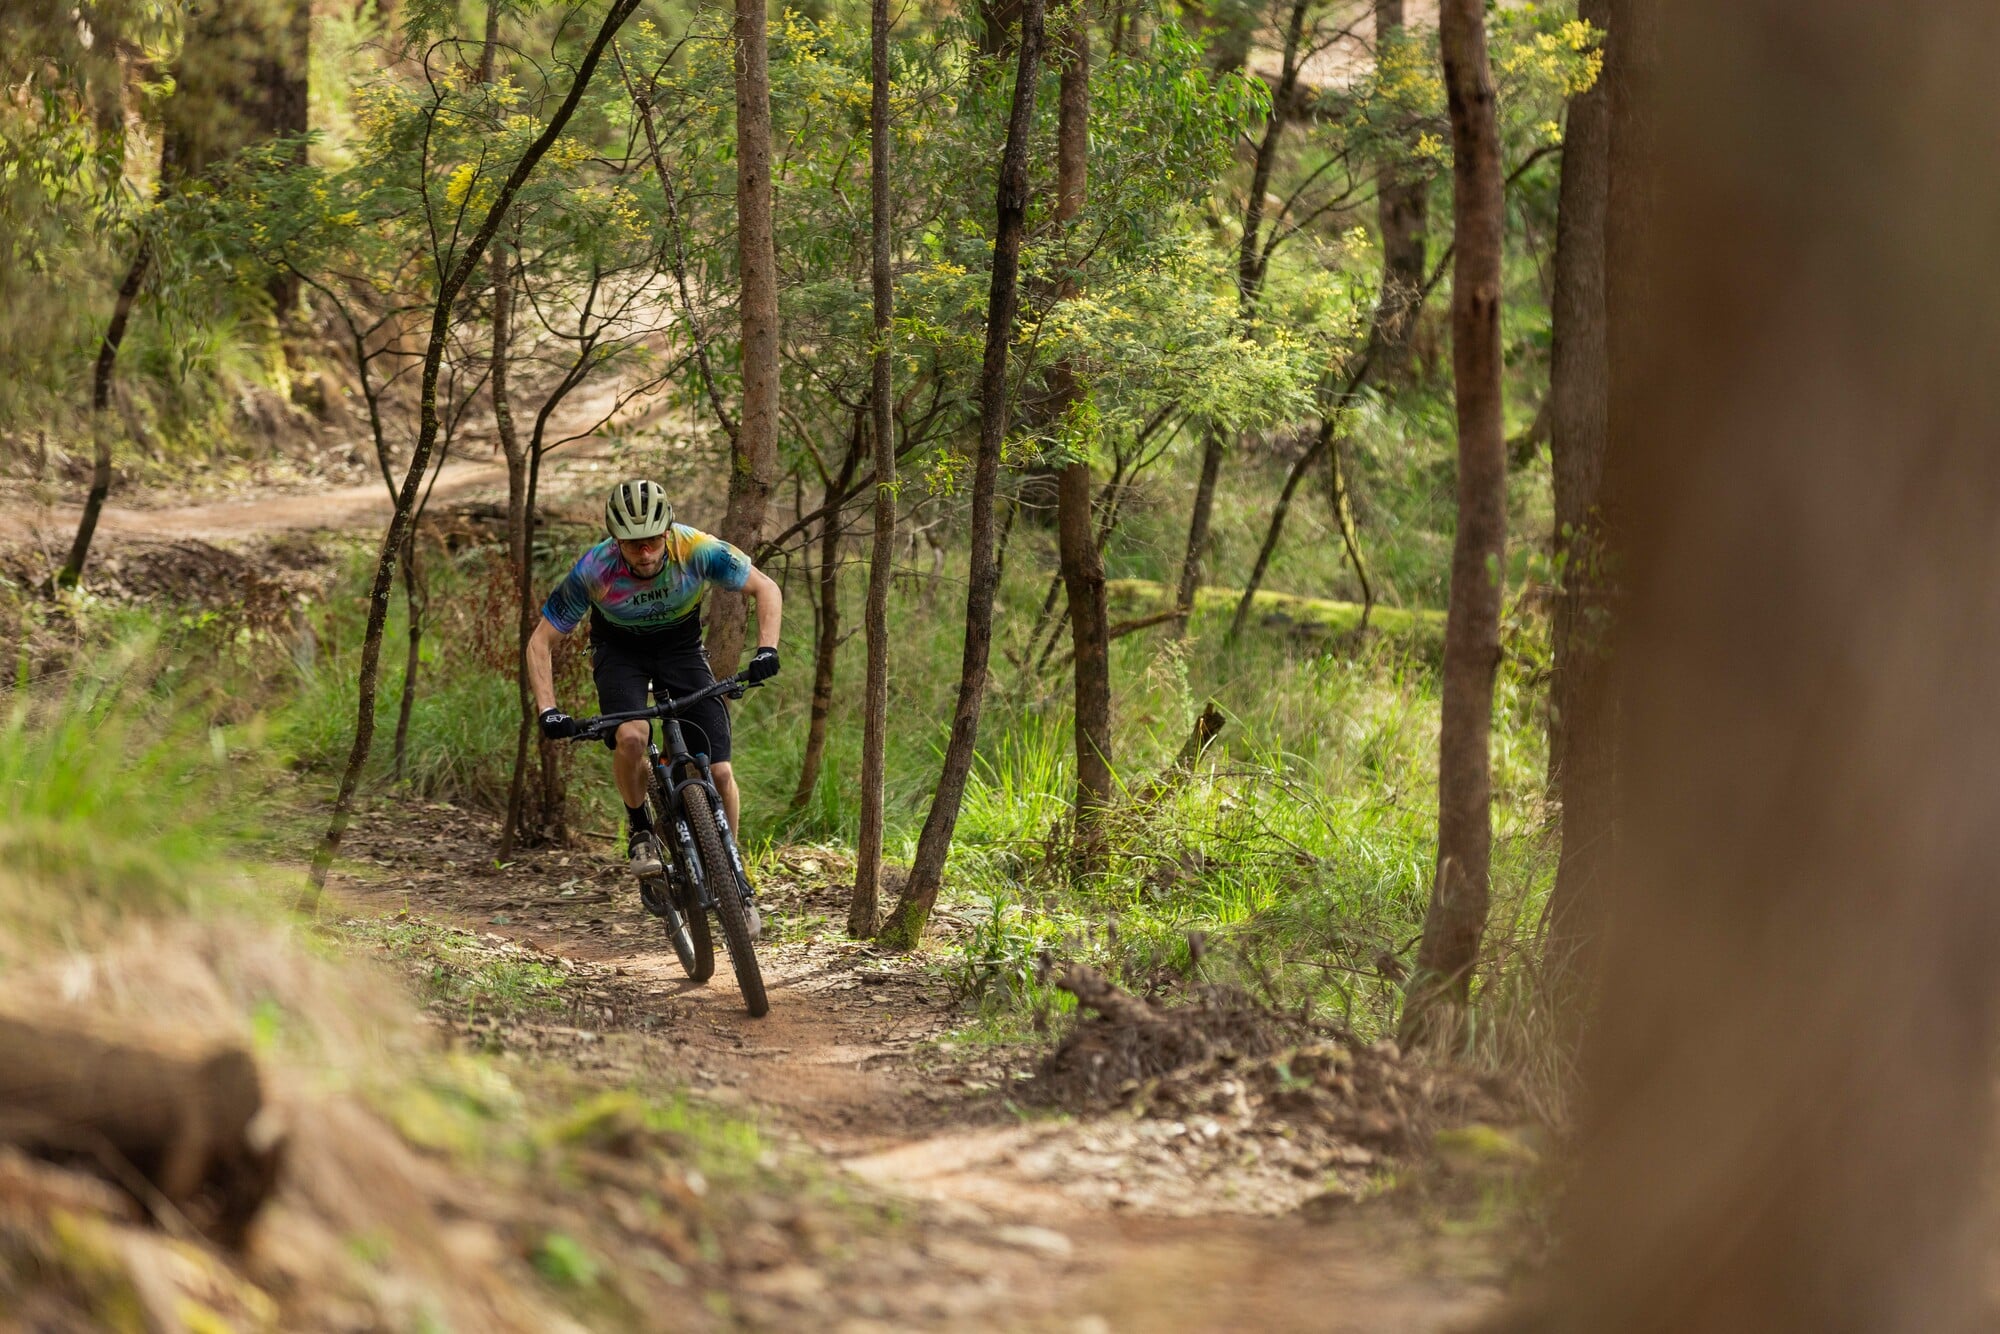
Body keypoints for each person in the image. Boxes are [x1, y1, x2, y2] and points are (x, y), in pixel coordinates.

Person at [526, 478, 782, 897]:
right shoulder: (594, 570)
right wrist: (548, 708)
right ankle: (641, 827)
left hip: (679, 648)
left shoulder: (696, 549)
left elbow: (764, 587)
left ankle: (731, 866)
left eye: (651, 541)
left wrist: (766, 650)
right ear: (616, 540)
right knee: (631, 736)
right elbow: (541, 640)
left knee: (719, 770)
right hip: (619, 652)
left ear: (667, 532)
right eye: (632, 544)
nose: (644, 553)